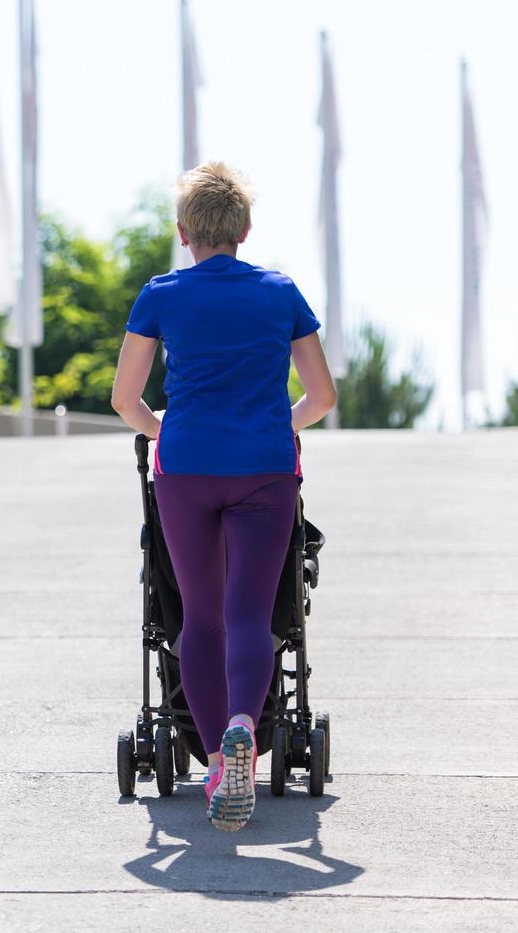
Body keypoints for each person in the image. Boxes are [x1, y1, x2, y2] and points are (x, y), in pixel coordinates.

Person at [110, 162, 337, 832]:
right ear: (244, 229)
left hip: (185, 469)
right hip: (265, 469)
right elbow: (321, 397)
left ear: (184, 234)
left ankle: (217, 759)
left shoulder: (160, 295)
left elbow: (126, 400)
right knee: (248, 614)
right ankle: (246, 724)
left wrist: (163, 429)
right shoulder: (280, 292)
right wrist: (276, 424)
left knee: (199, 619)